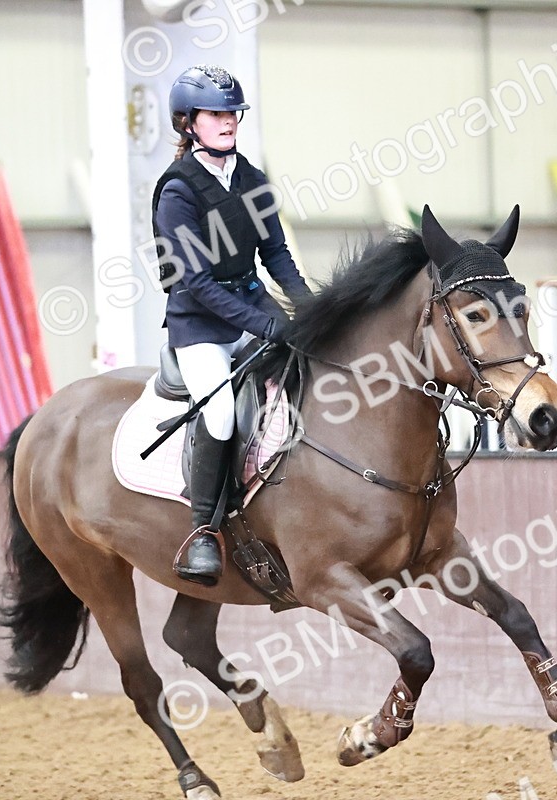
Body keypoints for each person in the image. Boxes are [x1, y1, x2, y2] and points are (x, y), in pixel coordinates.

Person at [152, 65, 310, 586]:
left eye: (232, 113)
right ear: (189, 121)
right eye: (217, 114)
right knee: (219, 411)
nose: (228, 122)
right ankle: (203, 530)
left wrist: (309, 313)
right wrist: (264, 328)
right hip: (198, 321)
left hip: (250, 300)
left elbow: (278, 257)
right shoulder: (178, 191)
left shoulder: (252, 179)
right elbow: (195, 283)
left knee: (312, 371)